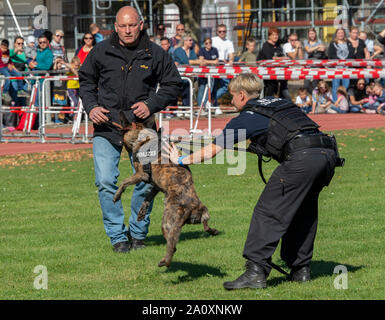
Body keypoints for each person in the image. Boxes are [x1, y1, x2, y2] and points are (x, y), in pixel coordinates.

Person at [165, 73, 340, 289]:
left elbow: (213, 150)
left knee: (268, 212)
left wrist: (180, 159)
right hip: (327, 155)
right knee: (302, 212)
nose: (231, 102)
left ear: (241, 95)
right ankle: (300, 270)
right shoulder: (281, 103)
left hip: (301, 160)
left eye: (231, 97)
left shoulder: (247, 116)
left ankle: (256, 271)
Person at [79, 6, 182, 253]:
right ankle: (117, 237)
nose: (127, 30)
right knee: (105, 181)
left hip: (144, 130)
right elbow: (86, 81)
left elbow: (172, 84)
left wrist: (151, 104)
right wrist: (91, 107)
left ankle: (137, 233)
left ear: (141, 24)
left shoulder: (155, 53)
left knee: (147, 182)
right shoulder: (100, 51)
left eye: (132, 25)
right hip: (107, 127)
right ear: (115, 27)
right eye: (122, 26)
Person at [257, 27, 291, 101]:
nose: (275, 37)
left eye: (276, 35)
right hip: (267, 72)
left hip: (279, 71)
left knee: (283, 85)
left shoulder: (278, 45)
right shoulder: (266, 46)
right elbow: (271, 58)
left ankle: (283, 103)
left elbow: (284, 40)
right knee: (271, 88)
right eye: (273, 35)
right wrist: (283, 58)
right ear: (269, 36)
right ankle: (266, 103)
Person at [173, 33, 201, 110]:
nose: (191, 42)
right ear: (184, 41)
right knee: (186, 85)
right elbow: (186, 61)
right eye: (190, 40)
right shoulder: (178, 50)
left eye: (192, 40)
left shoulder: (191, 51)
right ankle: (185, 107)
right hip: (179, 76)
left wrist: (196, 61)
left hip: (191, 75)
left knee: (198, 84)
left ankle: (192, 107)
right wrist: (198, 61)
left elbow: (194, 60)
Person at [212, 24, 235, 115]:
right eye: (220, 31)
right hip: (213, 66)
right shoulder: (213, 40)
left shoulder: (229, 42)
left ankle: (212, 100)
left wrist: (231, 61)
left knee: (227, 86)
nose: (222, 33)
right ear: (217, 32)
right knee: (212, 87)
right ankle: (215, 105)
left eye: (224, 31)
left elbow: (231, 56)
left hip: (224, 67)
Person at [327, 28, 355, 102]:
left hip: (346, 68)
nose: (340, 34)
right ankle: (336, 102)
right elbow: (330, 55)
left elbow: (351, 54)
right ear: (336, 34)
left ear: (344, 34)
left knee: (346, 85)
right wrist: (339, 62)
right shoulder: (332, 43)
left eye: (342, 33)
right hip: (336, 68)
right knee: (335, 86)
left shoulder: (348, 42)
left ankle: (344, 102)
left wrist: (345, 62)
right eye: (339, 33)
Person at [197, 36, 219, 109]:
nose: (208, 44)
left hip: (212, 74)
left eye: (210, 43)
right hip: (203, 73)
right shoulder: (202, 50)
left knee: (210, 90)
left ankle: (206, 105)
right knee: (201, 90)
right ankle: (200, 107)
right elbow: (201, 62)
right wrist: (211, 62)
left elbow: (216, 62)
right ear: (204, 44)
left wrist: (206, 61)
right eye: (206, 43)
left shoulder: (215, 50)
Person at [303, 28, 326, 94]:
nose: (312, 35)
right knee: (306, 85)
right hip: (308, 66)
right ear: (308, 35)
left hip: (317, 66)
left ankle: (315, 99)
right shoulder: (305, 41)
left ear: (315, 34)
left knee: (315, 84)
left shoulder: (319, 41)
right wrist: (317, 47)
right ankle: (315, 96)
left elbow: (323, 49)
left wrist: (312, 48)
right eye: (310, 34)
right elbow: (308, 50)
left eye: (313, 33)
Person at [63, 56, 81, 123]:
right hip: (70, 87)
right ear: (72, 64)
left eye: (78, 65)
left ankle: (76, 116)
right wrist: (71, 68)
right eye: (75, 65)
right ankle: (71, 116)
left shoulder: (78, 68)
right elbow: (67, 67)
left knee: (78, 102)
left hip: (77, 87)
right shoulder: (69, 68)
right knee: (74, 102)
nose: (77, 67)